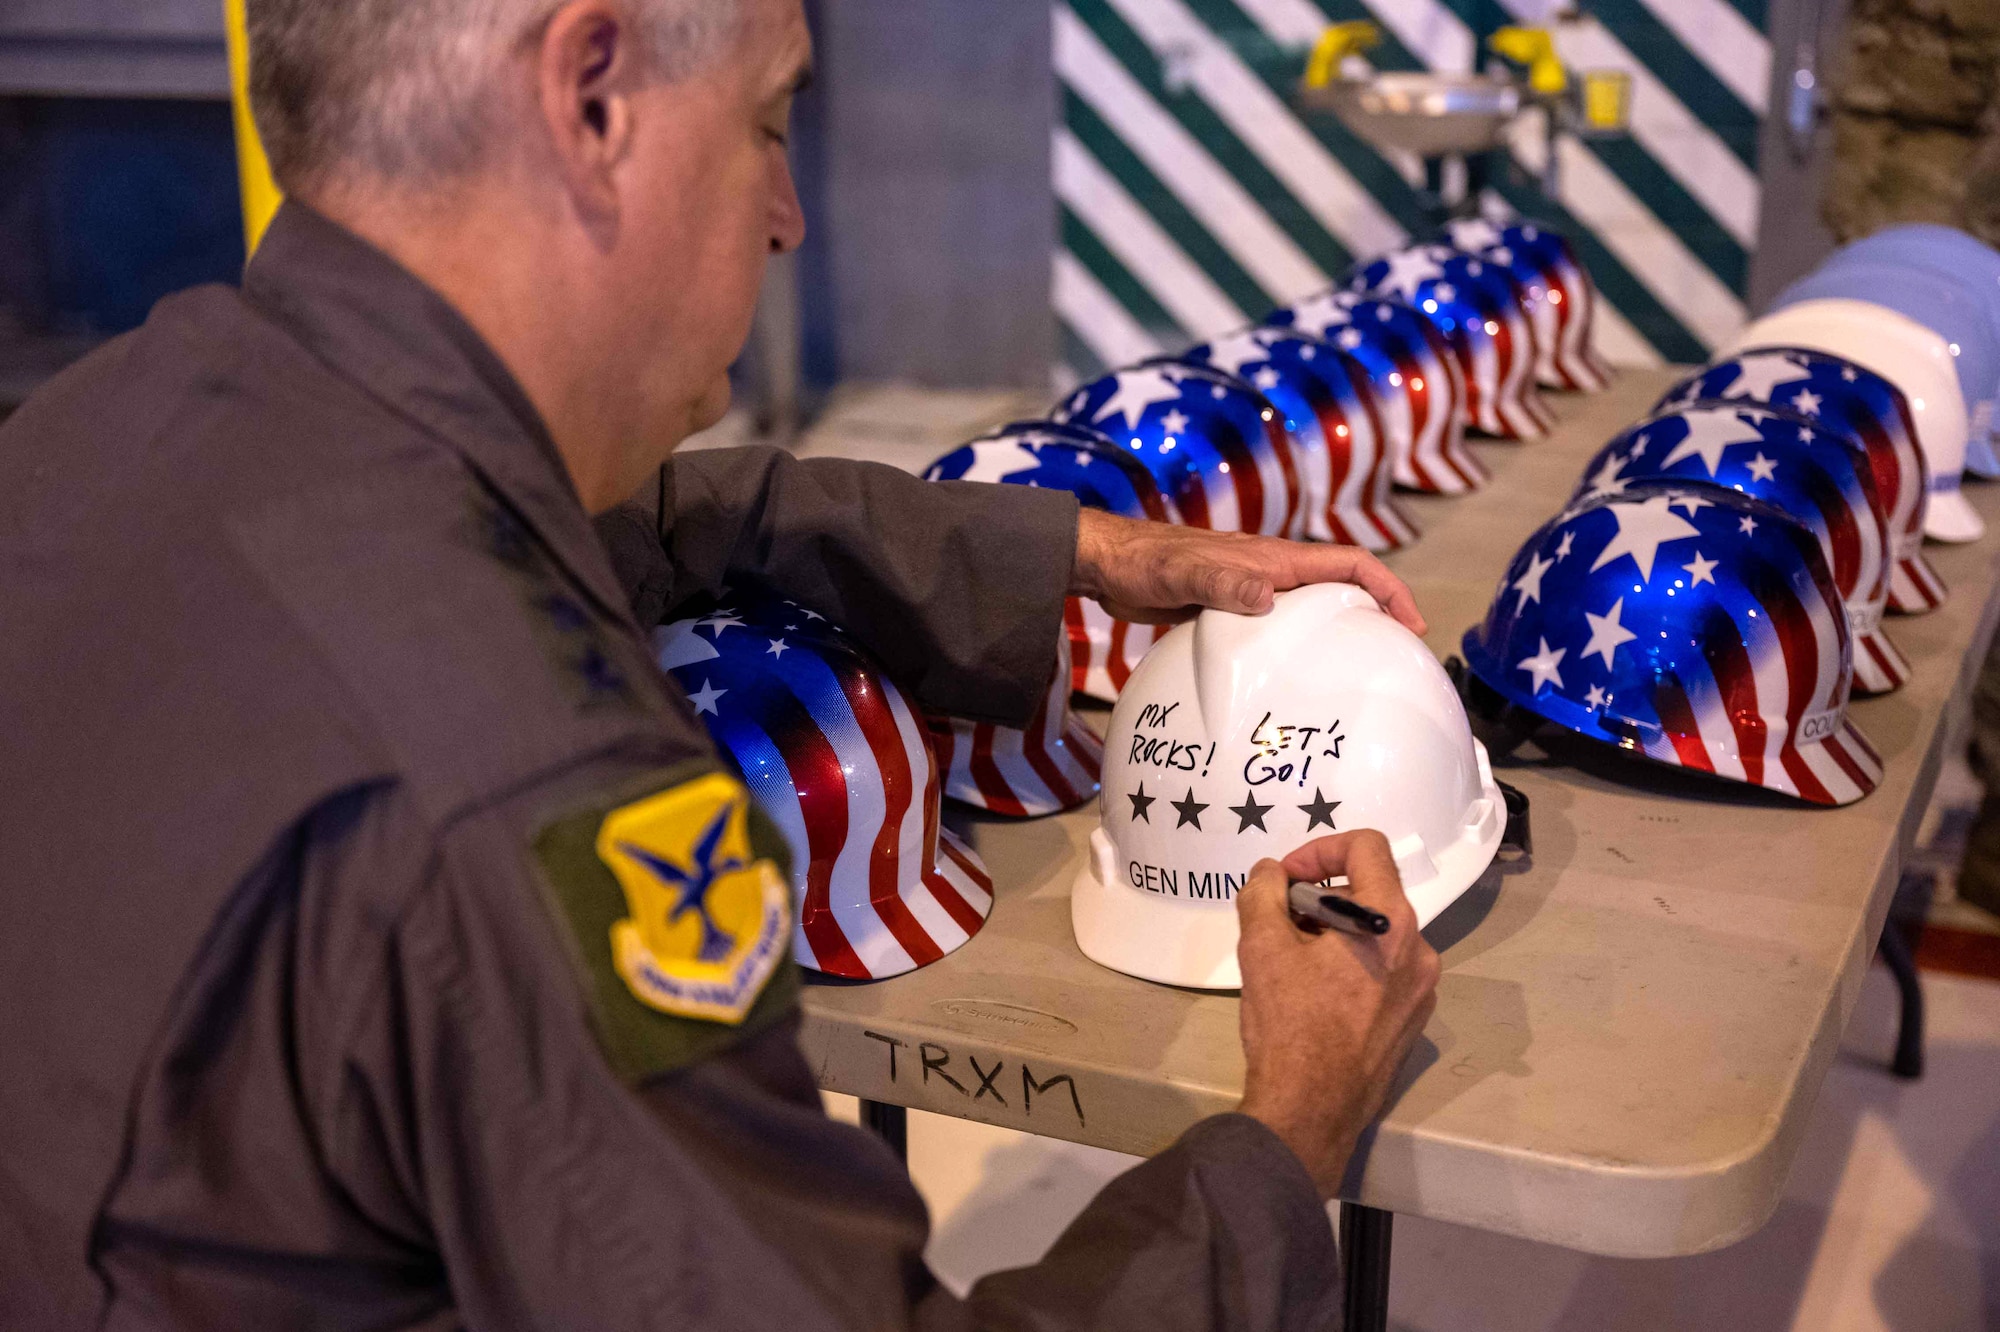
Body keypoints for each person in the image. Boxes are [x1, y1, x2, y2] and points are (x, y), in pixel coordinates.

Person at [0, 0, 1442, 1327]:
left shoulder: (99, 434)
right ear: (594, 94)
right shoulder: (532, 789)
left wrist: (1086, 554)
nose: (791, 217)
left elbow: (649, 520)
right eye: (767, 124)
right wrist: (1282, 1138)